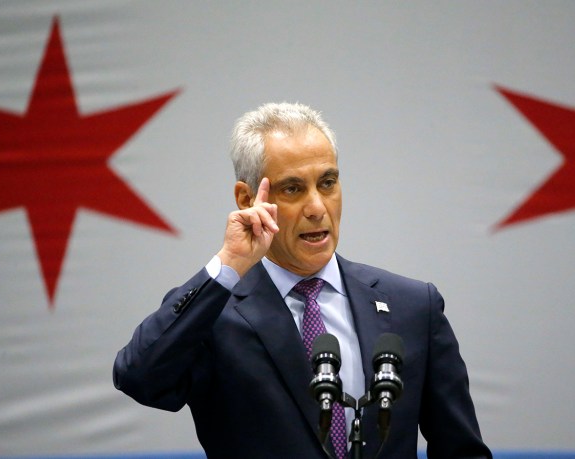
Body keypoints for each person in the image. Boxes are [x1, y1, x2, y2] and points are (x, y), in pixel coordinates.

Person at [113, 102, 492, 459]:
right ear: (247, 199)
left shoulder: (414, 306)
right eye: (293, 189)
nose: (316, 208)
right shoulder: (213, 316)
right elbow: (139, 378)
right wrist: (229, 263)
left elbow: (462, 450)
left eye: (327, 183)